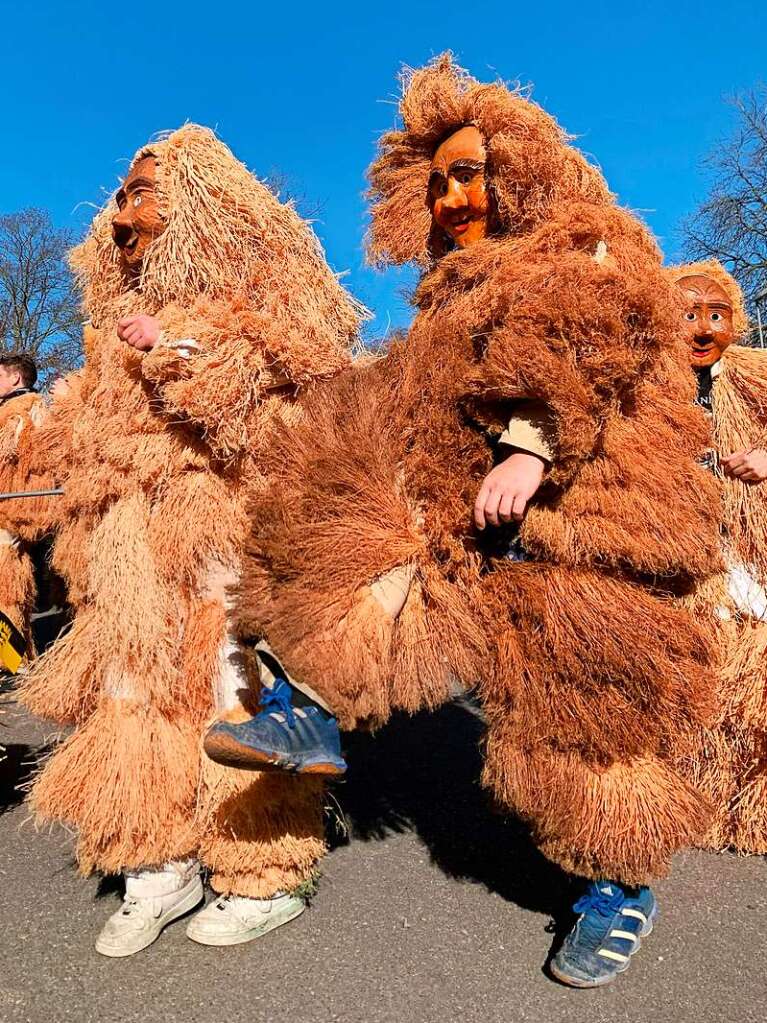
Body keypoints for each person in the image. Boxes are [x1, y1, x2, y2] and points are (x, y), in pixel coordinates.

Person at [206, 55, 723, 987]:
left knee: (579, 718)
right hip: (482, 515)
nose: (450, 196)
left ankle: (619, 880)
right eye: (436, 180)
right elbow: (413, 403)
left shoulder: (587, 240)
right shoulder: (446, 291)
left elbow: (587, 332)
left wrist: (532, 442)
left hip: (592, 520)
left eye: (468, 173)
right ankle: (308, 708)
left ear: (518, 165)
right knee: (350, 542)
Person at [18, 125, 361, 956]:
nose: (120, 213)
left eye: (142, 193)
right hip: (127, 542)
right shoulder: (109, 326)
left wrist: (177, 349)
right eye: (120, 195)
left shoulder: (260, 306)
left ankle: (261, 872)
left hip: (217, 529)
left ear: (201, 207)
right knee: (132, 690)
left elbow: (288, 397)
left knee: (229, 688)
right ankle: (154, 858)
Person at [670, 260, 767, 854]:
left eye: (716, 315)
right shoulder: (642, 386)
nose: (704, 330)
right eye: (688, 315)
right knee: (694, 676)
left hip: (747, 552)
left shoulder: (757, 377)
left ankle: (750, 809)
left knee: (753, 674)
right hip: (680, 554)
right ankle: (693, 804)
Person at [0, 353, 40, 661]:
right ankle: (16, 657)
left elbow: (10, 456)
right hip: (13, 508)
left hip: (11, 508)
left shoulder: (24, 409)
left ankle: (8, 658)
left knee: (6, 585)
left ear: (15, 377)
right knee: (11, 581)